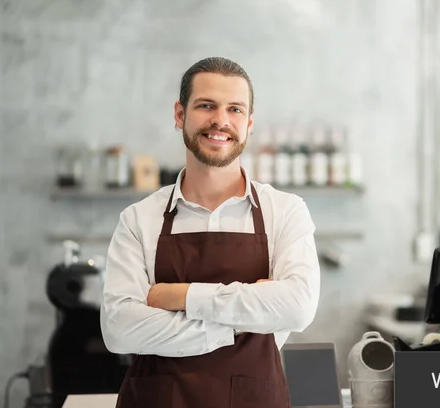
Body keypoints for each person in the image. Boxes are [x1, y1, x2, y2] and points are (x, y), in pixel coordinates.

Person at [100, 57, 321, 408]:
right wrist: (241, 323)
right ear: (179, 114)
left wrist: (183, 297)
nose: (221, 120)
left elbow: (297, 308)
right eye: (206, 106)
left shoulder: (285, 211)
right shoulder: (138, 219)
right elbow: (119, 329)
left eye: (235, 109)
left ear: (248, 124)